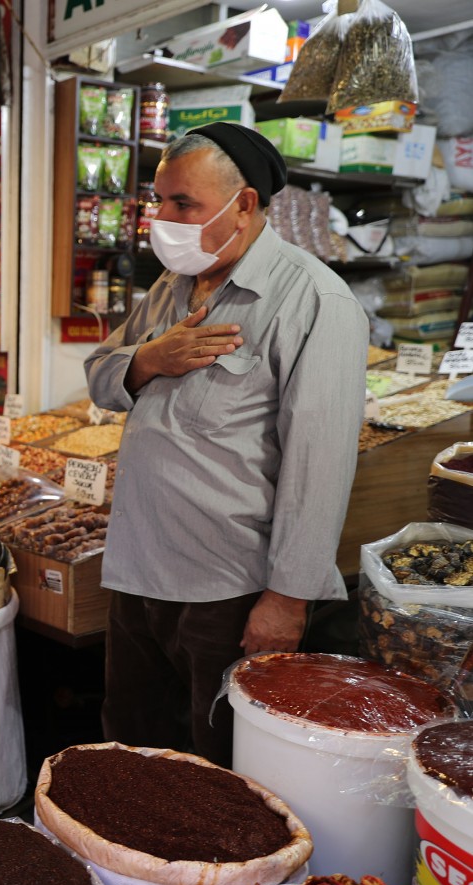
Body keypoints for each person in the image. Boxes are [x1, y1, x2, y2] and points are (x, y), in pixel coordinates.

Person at [84, 122, 369, 768]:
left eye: (183, 204)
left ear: (244, 204)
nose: (164, 218)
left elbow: (319, 465)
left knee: (217, 768)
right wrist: (148, 359)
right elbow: (101, 376)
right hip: (136, 571)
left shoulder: (314, 300)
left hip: (226, 591)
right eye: (159, 201)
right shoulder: (169, 288)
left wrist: (287, 599)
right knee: (128, 753)